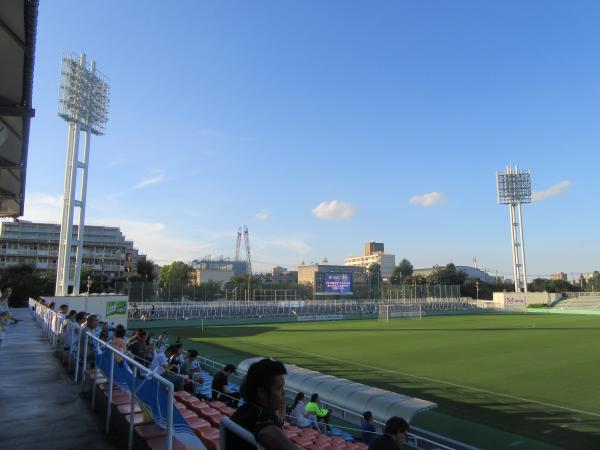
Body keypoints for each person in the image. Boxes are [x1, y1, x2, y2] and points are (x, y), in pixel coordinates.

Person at [226, 358, 300, 450]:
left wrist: (279, 423)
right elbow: (268, 432)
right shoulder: (264, 426)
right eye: (279, 388)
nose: (283, 393)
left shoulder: (242, 411)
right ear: (262, 393)